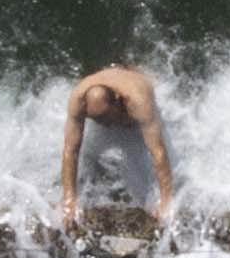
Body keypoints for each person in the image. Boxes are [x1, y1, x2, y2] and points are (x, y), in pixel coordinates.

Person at [59, 64, 174, 228]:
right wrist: (69, 199)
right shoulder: (78, 100)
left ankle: (136, 68)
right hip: (110, 82)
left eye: (107, 118)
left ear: (118, 102)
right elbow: (70, 150)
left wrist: (166, 201)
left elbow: (158, 152)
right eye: (98, 121)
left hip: (137, 85)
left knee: (145, 131)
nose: (105, 125)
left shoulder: (138, 101)